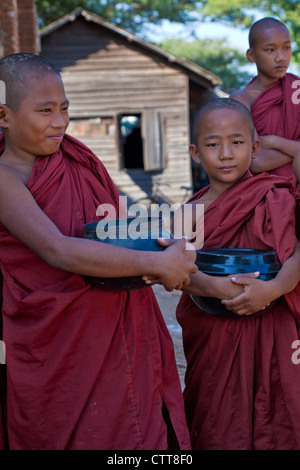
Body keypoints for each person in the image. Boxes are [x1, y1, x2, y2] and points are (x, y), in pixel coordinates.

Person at [0, 52, 202, 450]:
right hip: (57, 342)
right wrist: (156, 264)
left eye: (64, 109)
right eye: (45, 111)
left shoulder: (78, 161)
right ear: (3, 116)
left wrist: (164, 245)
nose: (60, 122)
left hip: (116, 322)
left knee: (134, 429)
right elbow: (58, 250)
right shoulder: (4, 179)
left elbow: (115, 233)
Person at [175, 98, 300, 450]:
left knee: (280, 415)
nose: (226, 154)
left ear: (255, 147)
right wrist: (218, 288)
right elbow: (177, 267)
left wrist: (274, 288)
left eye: (238, 142)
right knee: (219, 422)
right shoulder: (188, 213)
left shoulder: (277, 197)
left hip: (274, 325)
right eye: (213, 144)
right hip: (214, 335)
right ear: (196, 154)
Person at [230, 17, 300, 184]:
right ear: (251, 55)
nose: (281, 57)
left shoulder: (296, 89)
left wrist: (275, 142)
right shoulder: (241, 99)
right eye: (270, 50)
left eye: (286, 48)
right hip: (264, 189)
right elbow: (256, 162)